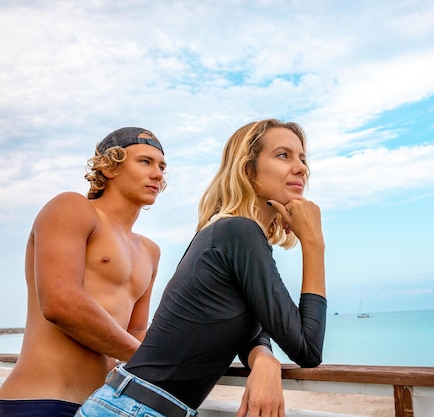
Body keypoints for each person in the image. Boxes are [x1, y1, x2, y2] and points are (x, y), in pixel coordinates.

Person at [75, 118, 327, 417]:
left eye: (302, 158)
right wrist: (313, 243)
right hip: (135, 409)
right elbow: (307, 349)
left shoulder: (229, 233)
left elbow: (253, 322)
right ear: (248, 170)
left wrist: (264, 358)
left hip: (135, 404)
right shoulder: (239, 232)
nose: (301, 167)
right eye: (283, 155)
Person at [0, 127, 168, 416]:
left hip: (102, 407)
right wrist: (149, 359)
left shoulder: (150, 251)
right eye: (145, 162)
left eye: (162, 167)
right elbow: (61, 302)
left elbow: (137, 330)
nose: (157, 174)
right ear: (110, 167)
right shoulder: (72, 208)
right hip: (40, 401)